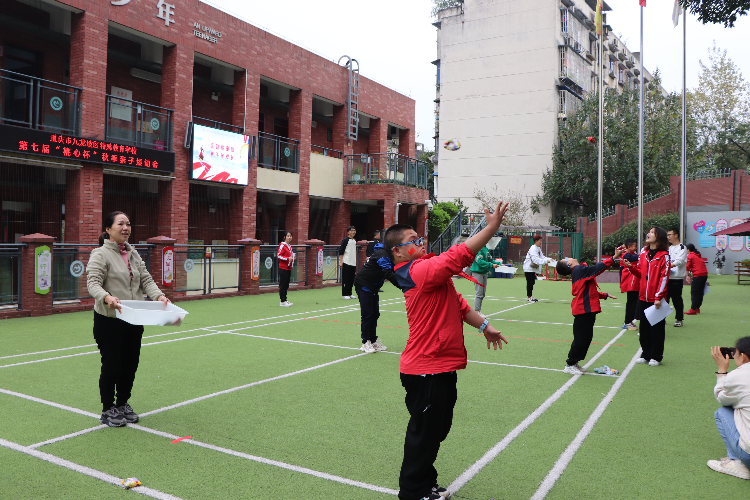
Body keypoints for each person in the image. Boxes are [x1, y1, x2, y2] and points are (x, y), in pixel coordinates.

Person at [385, 200, 509, 500]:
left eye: (420, 238)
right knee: (424, 434)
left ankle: (425, 482)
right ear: (398, 252)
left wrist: (484, 326)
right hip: (424, 369)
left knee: (436, 431)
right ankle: (413, 491)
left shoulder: (428, 273)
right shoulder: (418, 271)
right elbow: (459, 255)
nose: (420, 243)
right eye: (413, 241)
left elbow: (459, 305)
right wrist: (490, 228)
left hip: (440, 367)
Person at [86, 211, 169, 427]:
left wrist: (158, 296)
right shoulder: (100, 254)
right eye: (121, 224)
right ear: (108, 229)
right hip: (109, 320)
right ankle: (107, 409)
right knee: (112, 365)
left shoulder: (134, 254)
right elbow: (93, 283)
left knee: (130, 364)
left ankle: (122, 404)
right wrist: (106, 297)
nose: (126, 228)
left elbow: (147, 280)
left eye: (128, 224)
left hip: (133, 318)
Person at [555, 246, 623, 374]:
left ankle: (574, 362)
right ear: (569, 263)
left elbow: (588, 292)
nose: (569, 257)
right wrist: (613, 257)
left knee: (586, 338)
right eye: (566, 258)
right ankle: (570, 364)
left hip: (587, 310)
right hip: (583, 310)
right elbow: (597, 268)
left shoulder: (579, 271)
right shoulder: (579, 269)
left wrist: (605, 295)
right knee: (581, 338)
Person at [622, 227, 671, 367]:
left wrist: (658, 296)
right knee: (643, 328)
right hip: (642, 297)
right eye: (648, 232)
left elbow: (664, 277)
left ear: (659, 237)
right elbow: (640, 273)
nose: (648, 234)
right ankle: (645, 353)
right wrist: (631, 267)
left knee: (656, 329)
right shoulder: (643, 253)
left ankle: (656, 356)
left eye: (652, 232)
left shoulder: (664, 256)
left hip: (656, 300)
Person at [707, 338, 750, 480]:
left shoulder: (737, 375)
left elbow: (721, 398)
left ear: (743, 356)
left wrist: (722, 370)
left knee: (722, 412)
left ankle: (737, 463)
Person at [354, 231, 399, 353]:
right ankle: (365, 342)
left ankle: (373, 340)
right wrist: (404, 287)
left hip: (373, 286)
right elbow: (388, 273)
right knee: (367, 314)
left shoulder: (390, 253)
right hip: (364, 284)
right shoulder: (382, 254)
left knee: (375, 314)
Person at [666, 228, 688, 327]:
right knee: (664, 299)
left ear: (676, 235)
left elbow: (680, 261)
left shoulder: (682, 248)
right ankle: (662, 318)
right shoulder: (668, 248)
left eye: (670, 235)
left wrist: (668, 266)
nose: (668, 237)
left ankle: (679, 319)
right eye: (667, 235)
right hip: (666, 277)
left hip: (676, 278)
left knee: (676, 299)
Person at [469, 243, 500, 316]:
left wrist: (498, 263)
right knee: (479, 292)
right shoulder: (478, 248)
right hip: (477, 273)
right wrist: (491, 265)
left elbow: (490, 260)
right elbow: (479, 261)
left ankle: (478, 310)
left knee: (482, 293)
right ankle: (477, 311)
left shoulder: (486, 248)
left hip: (484, 272)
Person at [619, 238, 640, 331]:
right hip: (631, 283)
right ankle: (627, 322)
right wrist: (644, 256)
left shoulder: (632, 254)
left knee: (634, 302)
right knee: (631, 303)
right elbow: (633, 258)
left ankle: (630, 321)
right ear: (629, 247)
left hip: (635, 282)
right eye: (635, 246)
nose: (636, 248)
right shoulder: (626, 255)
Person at [523, 234, 551, 302]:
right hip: (528, 268)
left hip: (532, 269)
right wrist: (546, 261)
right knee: (530, 282)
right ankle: (529, 297)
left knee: (532, 282)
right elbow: (535, 259)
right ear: (536, 241)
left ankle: (531, 296)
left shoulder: (538, 248)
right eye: (540, 240)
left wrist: (550, 259)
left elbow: (542, 257)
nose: (541, 242)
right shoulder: (533, 248)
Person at [686, 243, 708, 315]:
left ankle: (693, 309)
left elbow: (687, 266)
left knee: (694, 292)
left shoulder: (691, 255)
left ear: (688, 250)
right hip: (704, 274)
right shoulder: (698, 255)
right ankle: (697, 308)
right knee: (700, 292)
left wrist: (687, 275)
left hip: (698, 275)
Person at [338, 226, 358, 299]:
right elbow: (341, 251)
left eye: (354, 230)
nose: (353, 232)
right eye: (351, 230)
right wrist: (341, 261)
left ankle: (349, 293)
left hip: (353, 262)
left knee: (351, 279)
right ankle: (345, 294)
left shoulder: (354, 240)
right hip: (346, 262)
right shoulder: (345, 240)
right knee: (346, 278)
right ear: (348, 232)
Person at [277, 231, 295, 307]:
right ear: (284, 237)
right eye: (288, 236)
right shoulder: (282, 245)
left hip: (288, 268)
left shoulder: (289, 246)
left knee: (286, 284)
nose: (289, 237)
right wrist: (287, 258)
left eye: (290, 236)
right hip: (283, 268)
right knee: (283, 284)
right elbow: (278, 256)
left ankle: (285, 299)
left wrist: (292, 258)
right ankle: (282, 301)